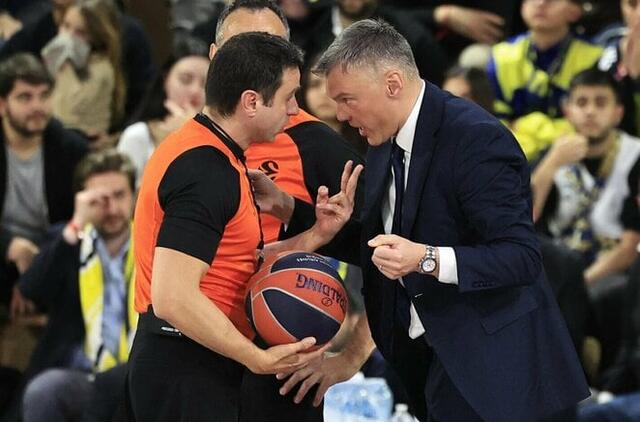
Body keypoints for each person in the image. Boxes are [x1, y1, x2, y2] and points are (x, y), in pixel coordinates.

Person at [274, 19, 589, 421]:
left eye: (348, 99)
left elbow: (521, 257)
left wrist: (427, 259)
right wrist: (289, 208)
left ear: (392, 84)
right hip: (430, 361)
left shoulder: (476, 138)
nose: (340, 114)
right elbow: (386, 252)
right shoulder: (383, 139)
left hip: (498, 374)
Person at [126, 31, 362, 422]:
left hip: (198, 357)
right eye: (288, 97)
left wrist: (317, 234)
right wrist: (255, 357)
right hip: (186, 362)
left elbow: (240, 264)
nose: (294, 110)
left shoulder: (215, 155)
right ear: (251, 102)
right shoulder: (206, 170)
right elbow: (172, 297)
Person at [18, 149, 137, 422]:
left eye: (119, 195)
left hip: (138, 372)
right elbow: (31, 291)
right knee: (44, 391)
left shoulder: (154, 241)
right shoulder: (69, 241)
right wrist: (75, 225)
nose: (111, 208)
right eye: (100, 200)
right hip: (83, 373)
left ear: (133, 194)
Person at [0, 52, 87, 306]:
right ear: (2, 104)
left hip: (52, 253)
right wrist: (9, 245)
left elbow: (77, 222)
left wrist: (37, 272)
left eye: (44, 95)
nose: (38, 106)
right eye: (25, 97)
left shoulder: (72, 149)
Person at [117, 37, 210, 187]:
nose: (195, 90)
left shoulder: (221, 138)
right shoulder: (138, 135)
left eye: (205, 84)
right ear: (166, 79)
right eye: (185, 80)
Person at [45, 0, 126, 137]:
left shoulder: (101, 70)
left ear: (96, 37)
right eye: (66, 25)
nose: (68, 36)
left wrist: (64, 69)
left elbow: (67, 115)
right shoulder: (62, 61)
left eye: (80, 32)